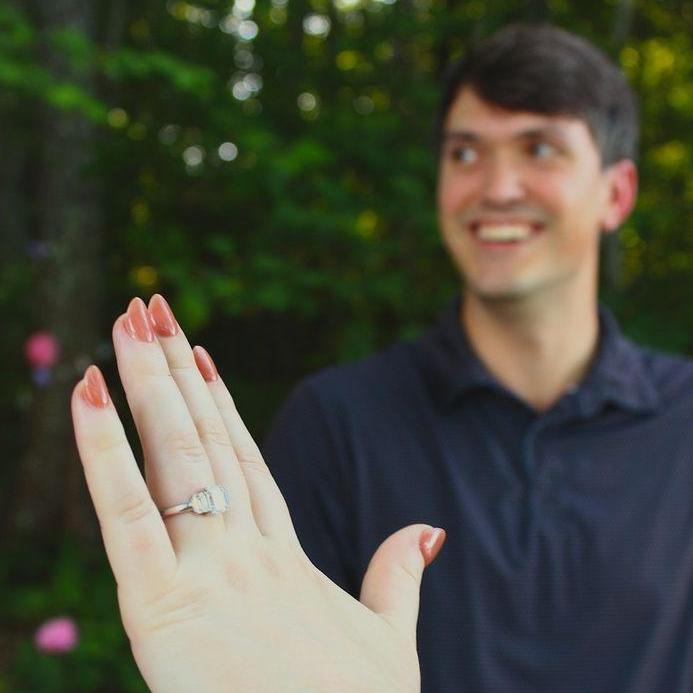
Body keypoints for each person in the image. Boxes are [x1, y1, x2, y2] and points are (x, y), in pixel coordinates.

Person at [263, 23, 693, 693]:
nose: (496, 187)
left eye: (539, 149)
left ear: (615, 194)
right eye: (465, 153)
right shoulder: (336, 425)